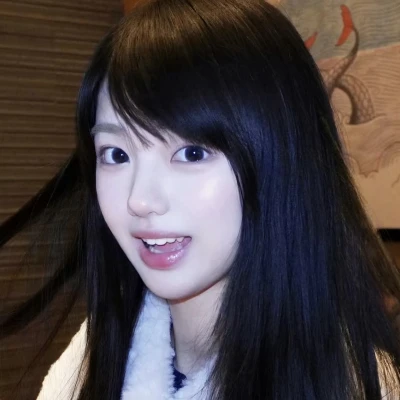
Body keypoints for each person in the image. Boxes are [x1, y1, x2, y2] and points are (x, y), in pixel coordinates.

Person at [1, 0, 400, 398]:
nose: (140, 200)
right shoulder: (90, 355)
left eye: (191, 153)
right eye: (116, 155)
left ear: (282, 158)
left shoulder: (355, 385)